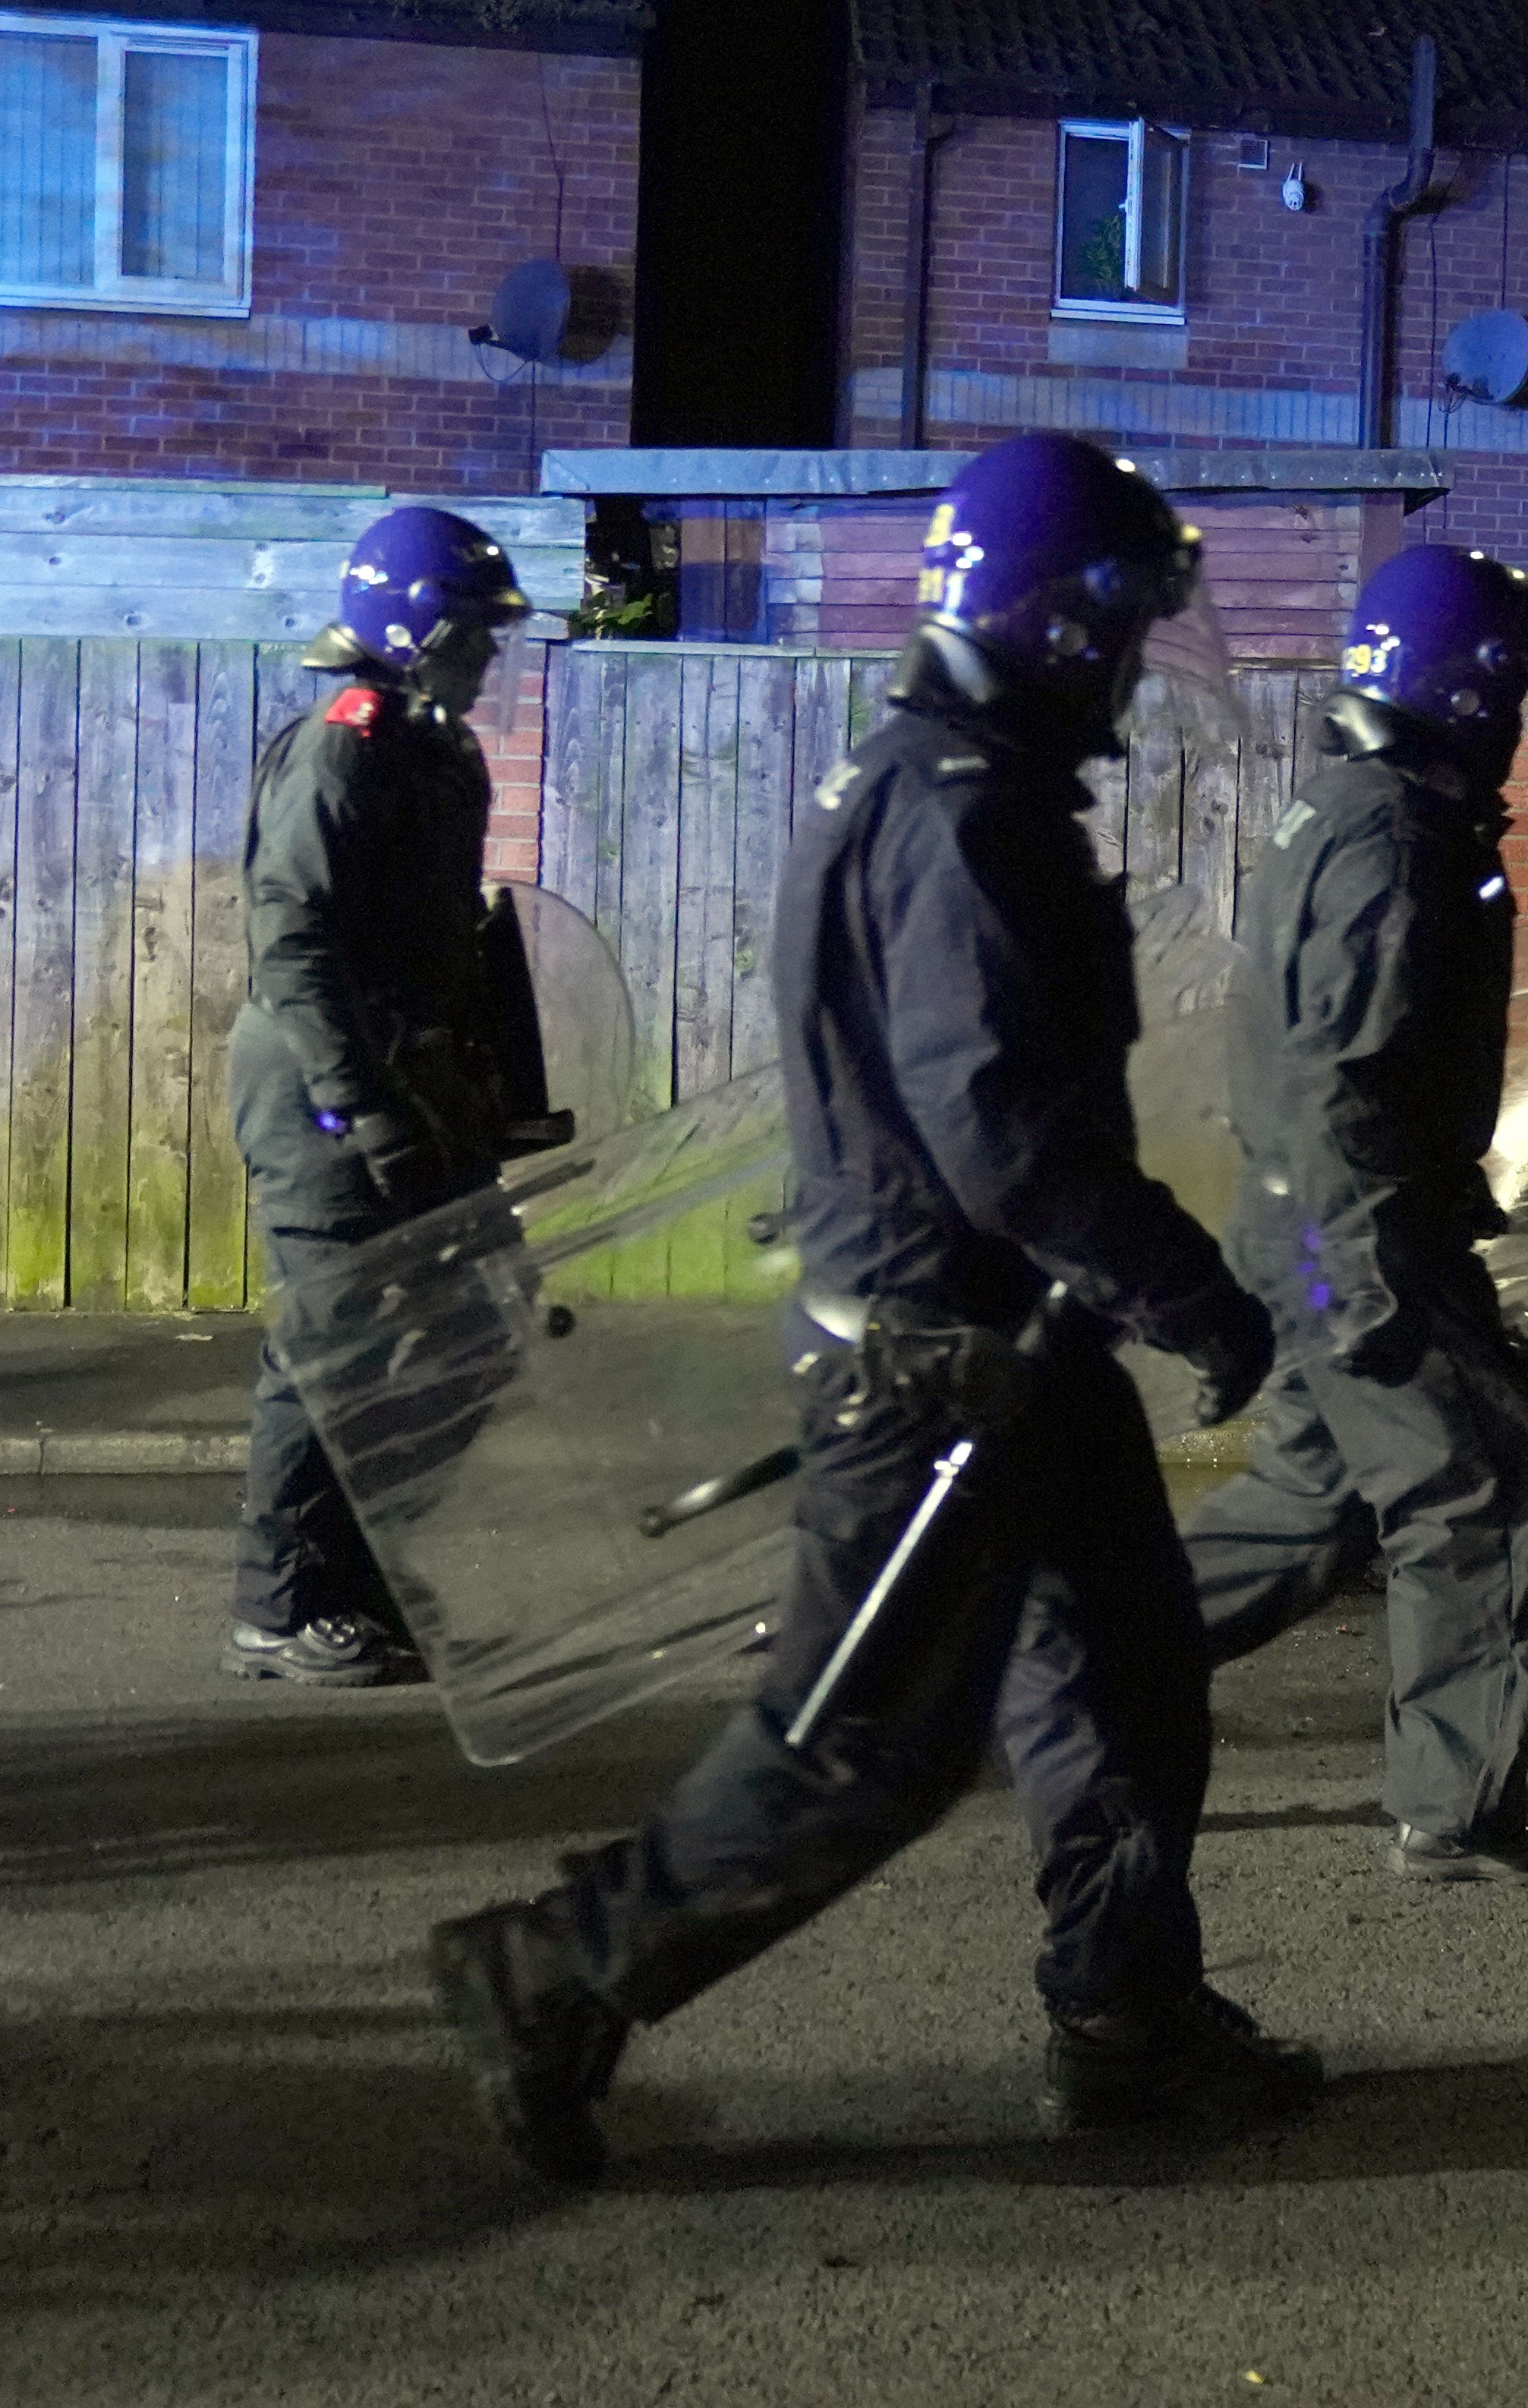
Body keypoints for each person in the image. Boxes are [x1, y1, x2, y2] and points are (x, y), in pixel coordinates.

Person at [427, 433, 1303, 2183]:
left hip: (1015, 1350)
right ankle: (554, 1969)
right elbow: (1003, 1131)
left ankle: (1125, 2010)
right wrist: (1191, 1290)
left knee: (1130, 1677)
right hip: (937, 1369)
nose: (1138, 658)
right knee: (865, 1754)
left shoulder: (937, 778)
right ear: (1056, 621)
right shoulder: (967, 813)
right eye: (1124, 621)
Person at [1176, 546, 1528, 1887]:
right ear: (1465, 689)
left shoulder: (1358, 807)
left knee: (1312, 1507)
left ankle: (1052, 1664)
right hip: (1353, 1241)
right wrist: (1367, 1268)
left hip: (1320, 1234)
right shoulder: (1396, 832)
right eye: (1513, 695)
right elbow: (1340, 1078)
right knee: (1496, 1498)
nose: (1524, 722)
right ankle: (1454, 1819)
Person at [224, 509, 535, 1688]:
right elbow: (291, 937)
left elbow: (434, 940)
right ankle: (280, 1605)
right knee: (331, 1346)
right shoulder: (343, 746)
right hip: (322, 1088)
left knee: (488, 1323)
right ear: (420, 631)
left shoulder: (430, 745)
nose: (491, 657)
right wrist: (361, 1107)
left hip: (416, 1082)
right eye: (478, 635)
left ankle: (359, 1578)